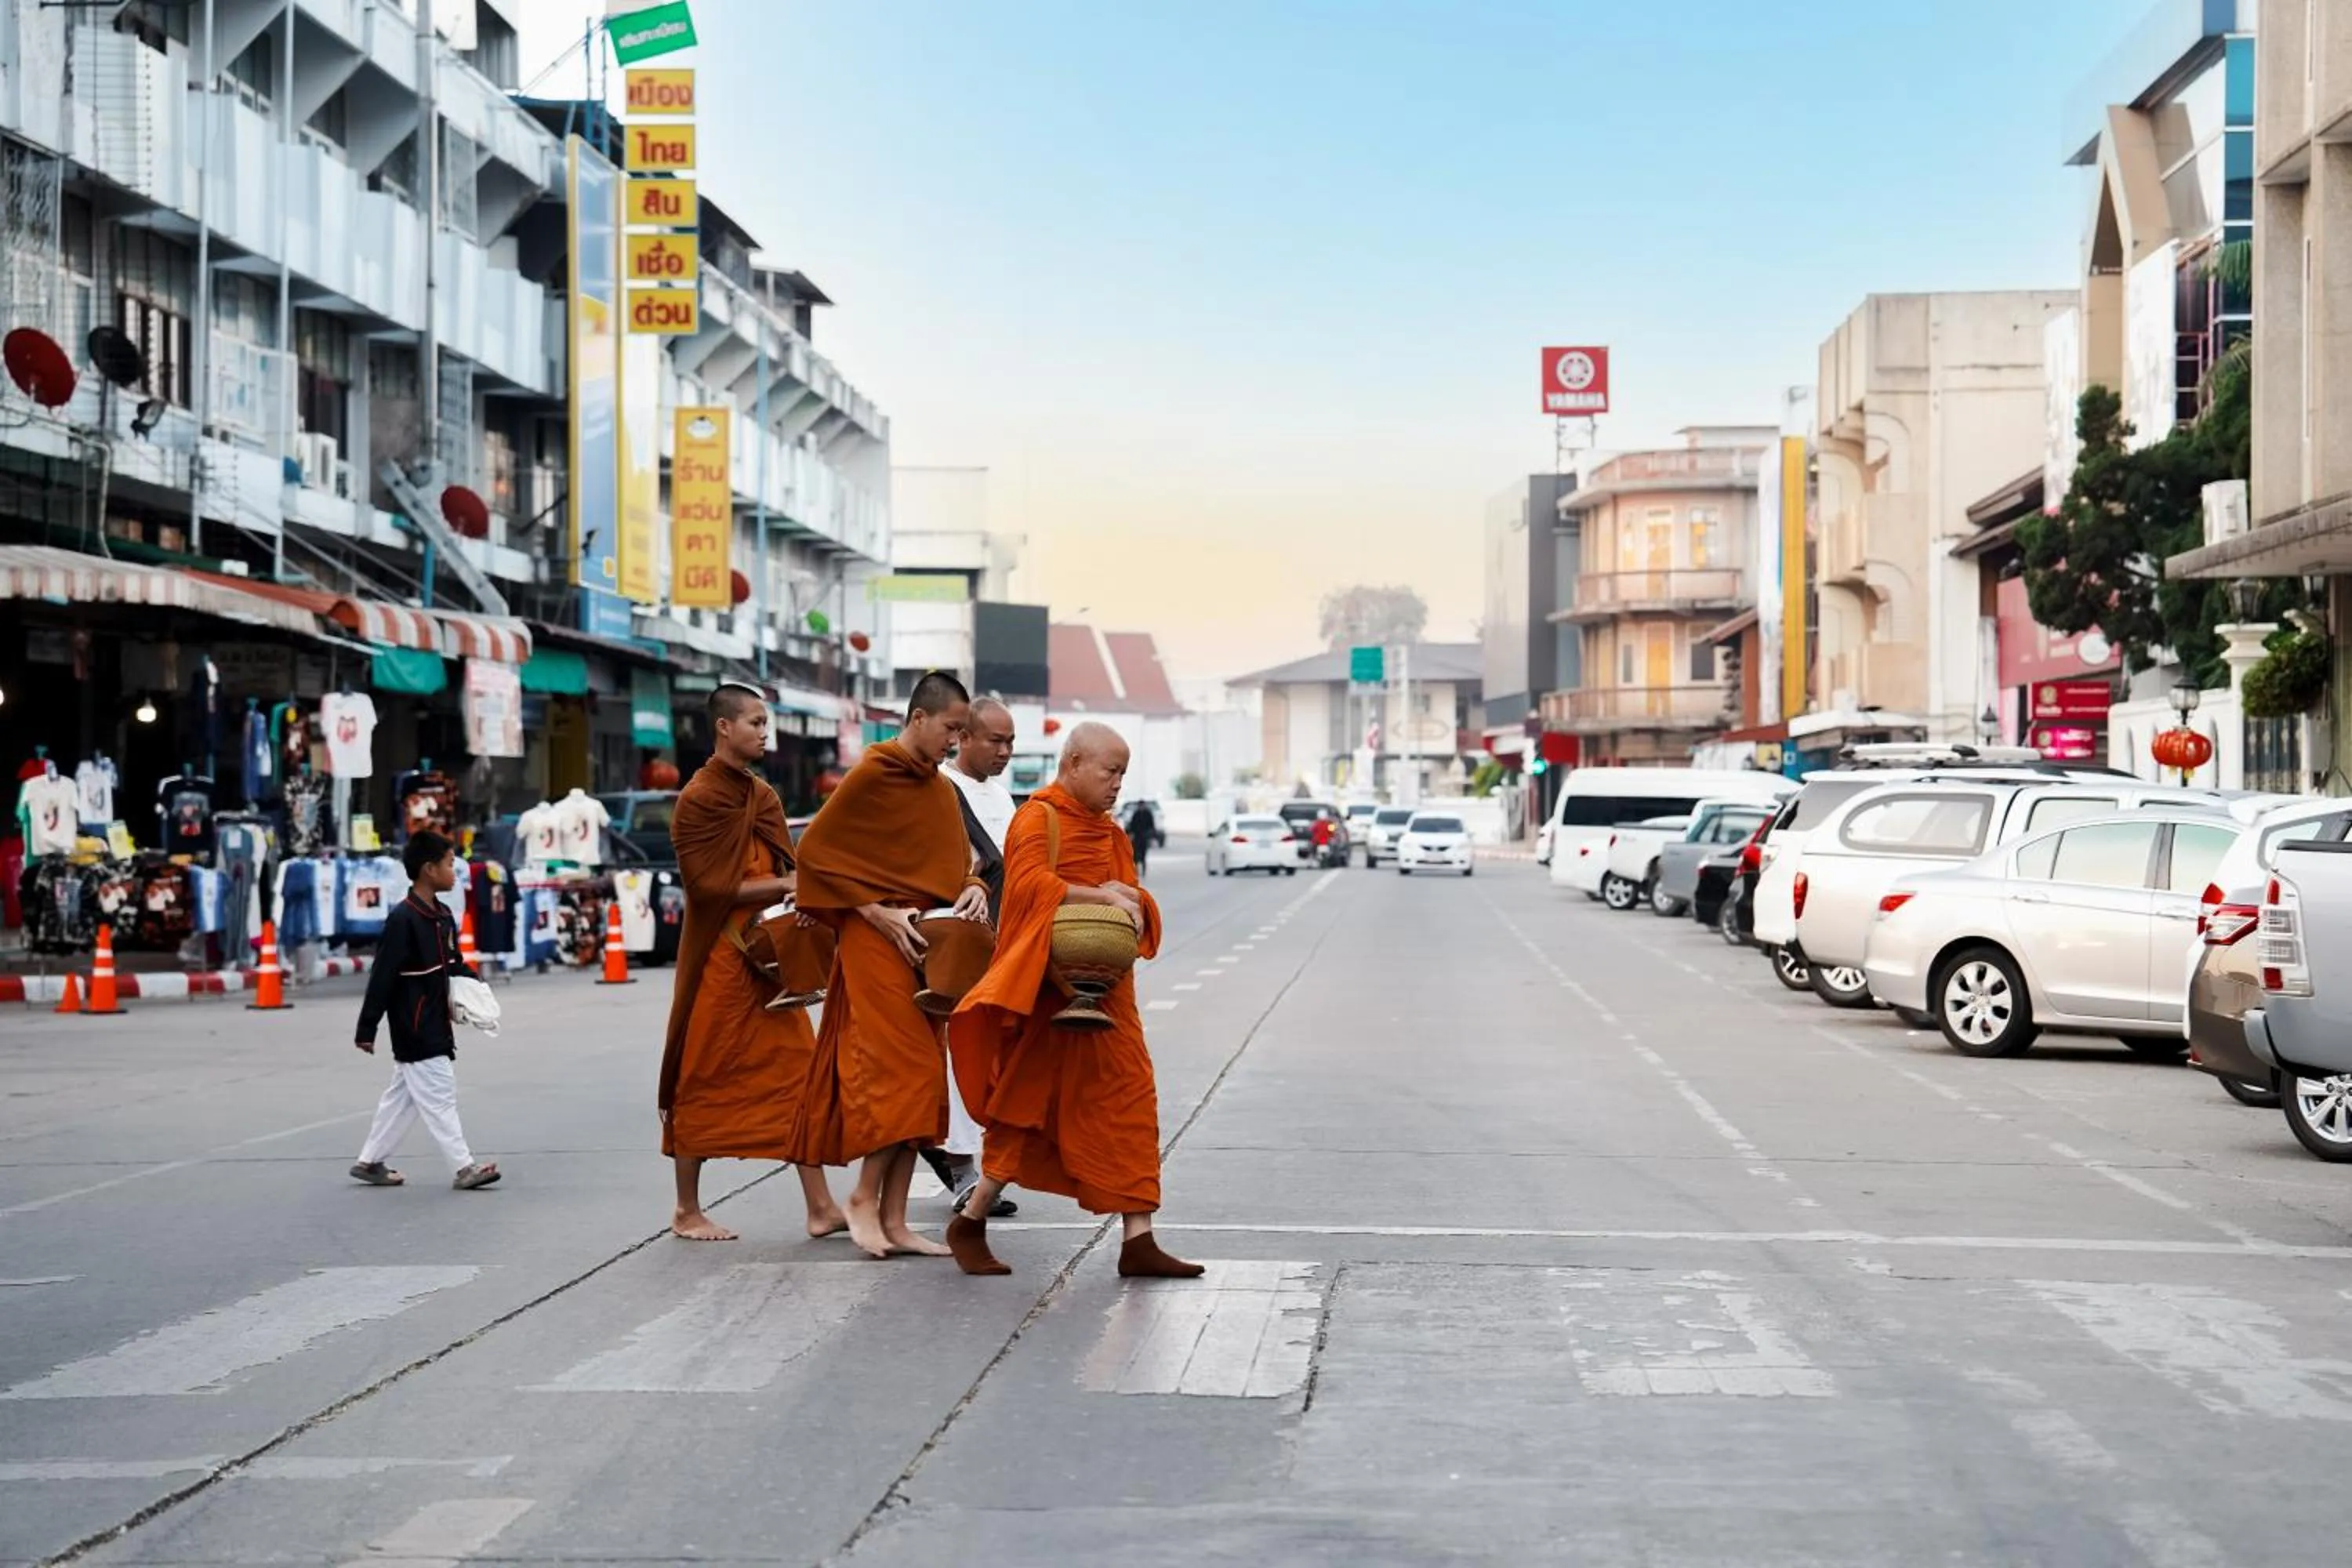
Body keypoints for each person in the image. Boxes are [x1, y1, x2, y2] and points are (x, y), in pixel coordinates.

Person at [945, 722, 1203, 1279]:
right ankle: (971, 1217)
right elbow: (1027, 887)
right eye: (1110, 772)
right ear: (1075, 762)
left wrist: (1135, 900)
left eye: (1123, 775)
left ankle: (1139, 1237)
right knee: (1026, 1108)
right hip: (1047, 990)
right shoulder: (1039, 816)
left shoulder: (1109, 832)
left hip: (1107, 993)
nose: (1117, 785)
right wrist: (1097, 893)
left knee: (1132, 1100)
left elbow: (1127, 893)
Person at [791, 671, 991, 1260]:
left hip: (928, 943)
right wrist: (874, 912)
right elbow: (817, 855)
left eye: (961, 733)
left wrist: (974, 886)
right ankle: (862, 1198)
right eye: (951, 729)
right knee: (899, 1073)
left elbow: (959, 859)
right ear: (919, 718)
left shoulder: (936, 788)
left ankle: (896, 1219)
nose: (953, 743)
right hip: (875, 940)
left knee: (927, 1078)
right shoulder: (874, 773)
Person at [657, 684, 847, 1243]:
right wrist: (787, 882)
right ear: (724, 727)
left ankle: (820, 1206)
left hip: (770, 961)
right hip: (721, 956)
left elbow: (789, 862)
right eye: (756, 722)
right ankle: (687, 1209)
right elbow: (708, 886)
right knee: (702, 1073)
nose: (767, 733)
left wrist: (800, 893)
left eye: (768, 723)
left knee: (798, 1073)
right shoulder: (698, 799)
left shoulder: (761, 796)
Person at [350, 829, 499, 1191]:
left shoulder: (442, 916)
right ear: (429, 869)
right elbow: (382, 976)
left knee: (404, 1098)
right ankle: (464, 1168)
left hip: (435, 1020)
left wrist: (476, 988)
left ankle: (369, 1161)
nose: (455, 872)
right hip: (415, 1024)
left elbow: (453, 963)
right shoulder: (404, 919)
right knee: (439, 1094)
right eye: (450, 864)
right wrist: (367, 1028)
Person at [931, 695, 1020, 1218]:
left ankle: (981, 1166)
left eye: (1011, 743)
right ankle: (962, 1169)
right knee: (957, 1051)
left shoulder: (1003, 796)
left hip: (1003, 941)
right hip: (957, 939)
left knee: (993, 1055)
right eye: (995, 740)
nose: (1004, 751)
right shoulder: (941, 790)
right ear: (963, 737)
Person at [1126, 797, 1158, 878]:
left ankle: (1143, 870)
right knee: (1136, 854)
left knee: (1144, 854)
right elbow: (1132, 825)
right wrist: (1130, 835)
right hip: (1137, 837)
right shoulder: (1136, 814)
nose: (1141, 807)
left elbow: (1152, 826)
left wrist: (1152, 837)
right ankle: (1136, 870)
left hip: (1145, 837)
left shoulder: (1148, 814)